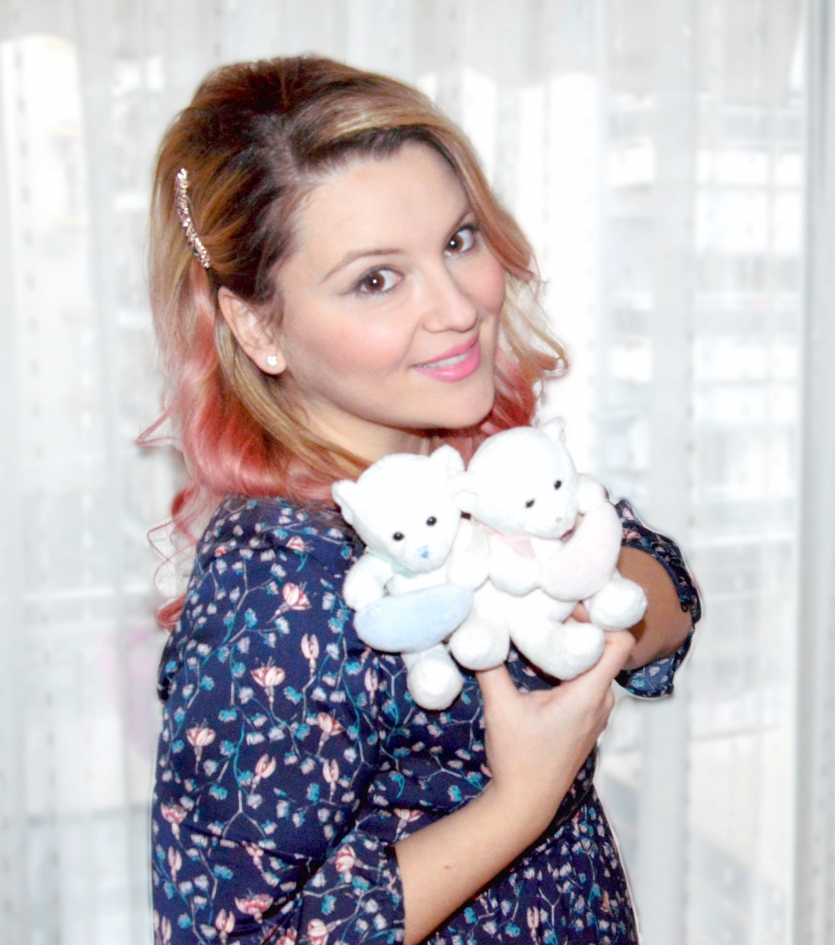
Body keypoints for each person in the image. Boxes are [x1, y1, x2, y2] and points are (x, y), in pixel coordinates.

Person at [146, 56, 700, 945]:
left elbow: (665, 582)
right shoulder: (276, 585)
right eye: (376, 279)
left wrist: (588, 606)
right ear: (256, 325)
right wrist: (519, 801)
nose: (457, 306)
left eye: (458, 241)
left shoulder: (464, 461)